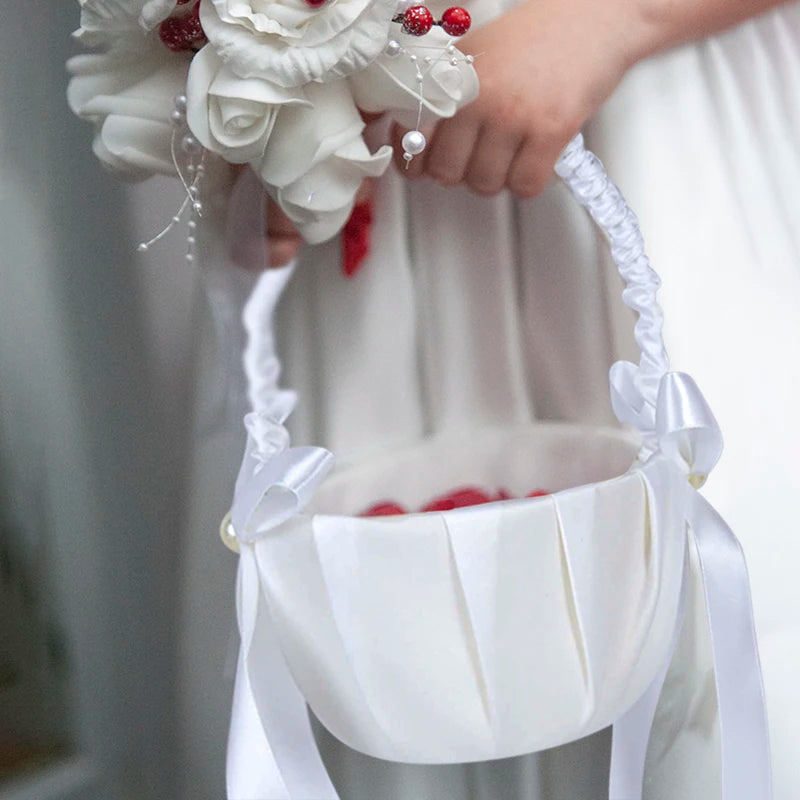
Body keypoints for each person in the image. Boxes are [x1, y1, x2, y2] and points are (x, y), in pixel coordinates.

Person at [183, 0, 800, 797]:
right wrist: (247, 90)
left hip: (662, 113)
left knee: (716, 619)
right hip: (359, 184)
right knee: (374, 647)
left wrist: (615, 20)